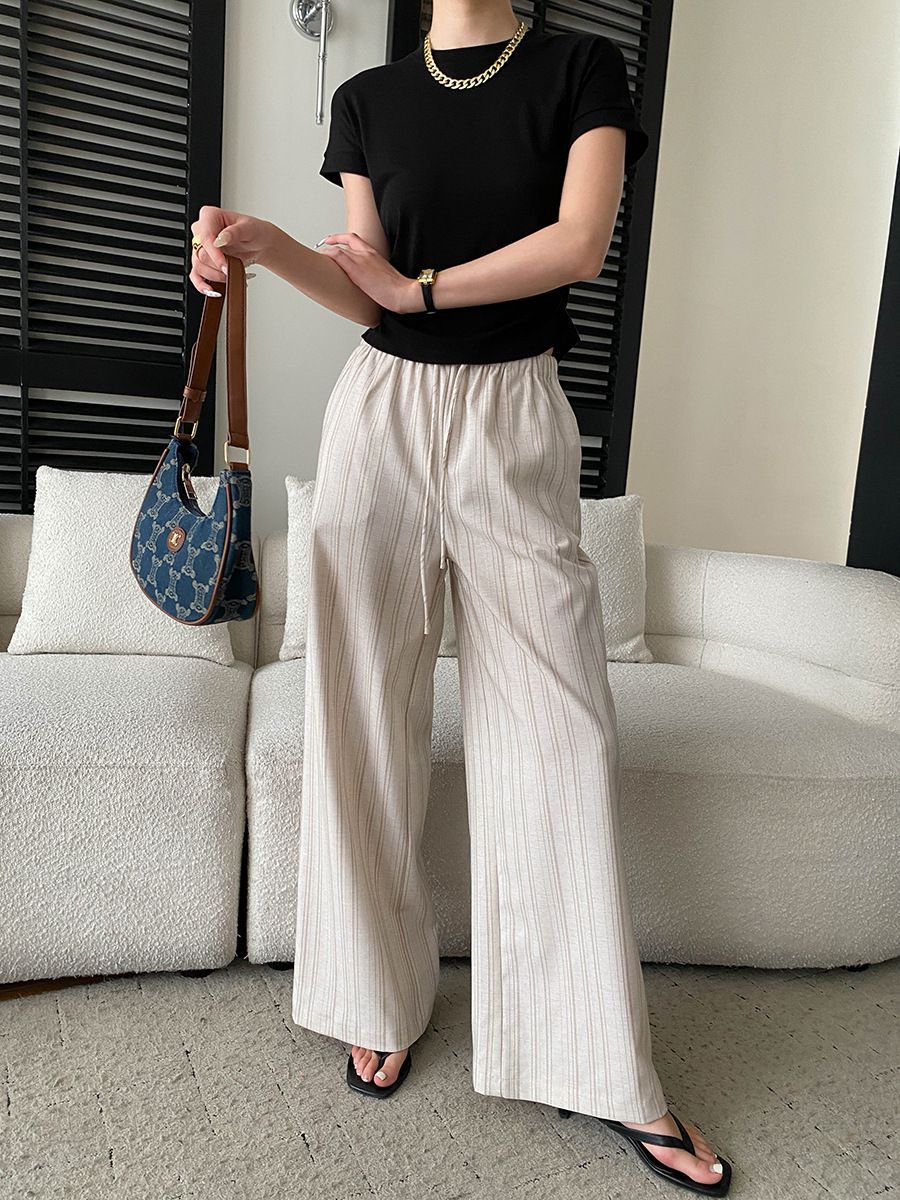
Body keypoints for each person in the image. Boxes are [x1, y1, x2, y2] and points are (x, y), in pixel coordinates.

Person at [189, 2, 732, 1193]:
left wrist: (420, 289)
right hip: (379, 418)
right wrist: (266, 246)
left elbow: (577, 245)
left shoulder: (582, 69)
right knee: (359, 708)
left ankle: (597, 1061)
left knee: (559, 730)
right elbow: (367, 289)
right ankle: (372, 995)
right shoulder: (370, 100)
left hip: (512, 414)